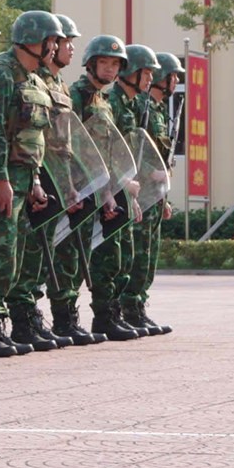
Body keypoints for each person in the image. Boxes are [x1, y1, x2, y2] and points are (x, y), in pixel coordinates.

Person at [0, 10, 62, 356]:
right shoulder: (1, 74)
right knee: (1, 253)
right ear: (33, 40)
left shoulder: (34, 79)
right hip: (0, 179)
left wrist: (36, 180)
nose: (54, 47)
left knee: (19, 255)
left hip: (25, 179)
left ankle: (19, 322)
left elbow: (33, 136)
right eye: (51, 40)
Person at [34, 15, 102, 346]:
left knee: (59, 254)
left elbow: (68, 144)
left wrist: (72, 184)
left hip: (63, 181)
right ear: (50, 44)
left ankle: (63, 318)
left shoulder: (60, 85)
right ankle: (32, 318)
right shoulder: (38, 82)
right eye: (66, 42)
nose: (71, 48)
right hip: (43, 180)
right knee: (38, 255)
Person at [76, 35, 142, 342]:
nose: (109, 69)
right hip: (80, 189)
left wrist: (116, 190)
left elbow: (111, 152)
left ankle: (107, 316)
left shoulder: (103, 101)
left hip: (104, 189)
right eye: (103, 62)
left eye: (115, 64)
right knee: (77, 259)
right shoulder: (77, 96)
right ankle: (66, 318)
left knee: (112, 257)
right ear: (90, 64)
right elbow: (72, 144)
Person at [130, 49, 179, 337]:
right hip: (141, 192)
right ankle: (129, 307)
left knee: (149, 254)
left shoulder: (159, 110)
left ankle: (139, 306)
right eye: (172, 76)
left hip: (155, 194)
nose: (176, 82)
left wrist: (164, 196)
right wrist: (150, 173)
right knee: (138, 253)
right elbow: (132, 147)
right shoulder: (142, 105)